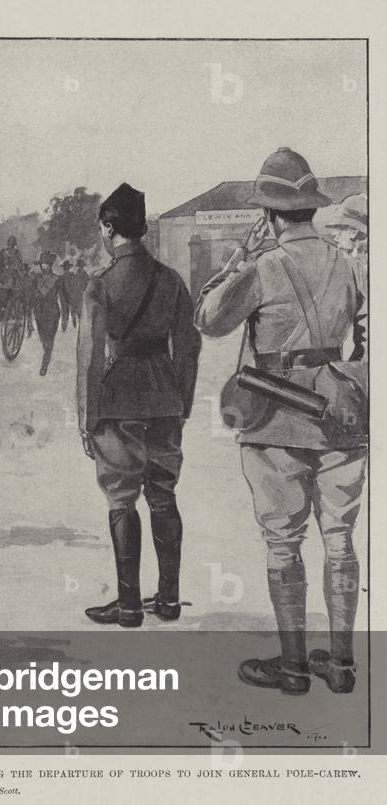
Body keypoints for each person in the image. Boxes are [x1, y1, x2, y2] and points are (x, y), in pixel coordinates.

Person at [196, 148, 368, 695]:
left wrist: (237, 258)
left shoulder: (262, 267)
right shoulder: (352, 264)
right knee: (340, 538)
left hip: (276, 421)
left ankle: (294, 668)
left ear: (269, 214)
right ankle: (341, 665)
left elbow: (209, 320)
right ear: (311, 209)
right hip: (343, 419)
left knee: (283, 544)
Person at [78, 183, 201, 628]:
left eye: (101, 227)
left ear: (110, 228)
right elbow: (188, 347)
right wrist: (181, 402)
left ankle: (130, 605)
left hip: (117, 401)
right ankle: (168, 599)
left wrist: (86, 417)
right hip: (165, 399)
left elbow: (91, 357)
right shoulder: (171, 280)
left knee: (121, 498)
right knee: (164, 495)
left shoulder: (100, 285)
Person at [29, 252, 68, 377]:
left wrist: (65, 319)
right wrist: (29, 320)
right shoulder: (35, 280)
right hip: (39, 312)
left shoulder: (58, 280)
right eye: (42, 264)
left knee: (49, 340)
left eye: (46, 264)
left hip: (52, 313)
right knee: (43, 338)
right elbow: (30, 299)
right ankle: (46, 356)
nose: (43, 266)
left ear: (50, 265)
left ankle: (44, 364)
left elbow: (63, 299)